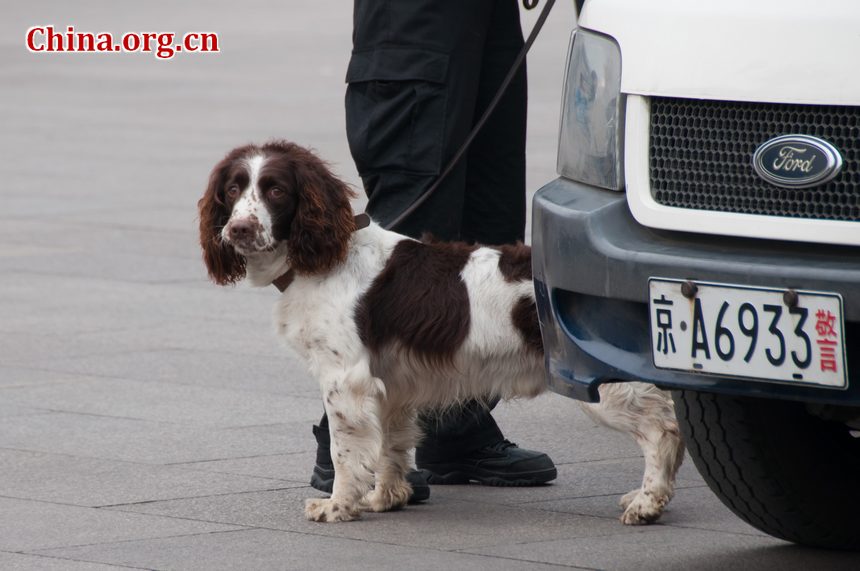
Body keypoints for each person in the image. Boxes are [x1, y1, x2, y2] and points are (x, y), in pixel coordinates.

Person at [310, 0, 557, 501]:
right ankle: (350, 447)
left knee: (488, 224)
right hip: (416, 19)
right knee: (411, 246)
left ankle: (455, 424)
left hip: (486, 16)